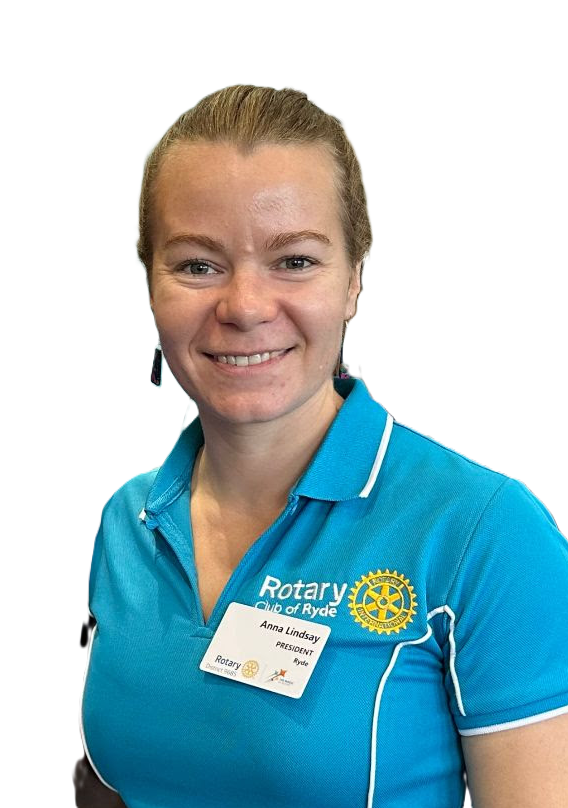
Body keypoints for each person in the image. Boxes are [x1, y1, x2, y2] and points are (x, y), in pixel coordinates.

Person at [74, 84, 568, 807]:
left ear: (353, 285)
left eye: (295, 261)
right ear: (150, 284)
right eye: (197, 265)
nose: (244, 306)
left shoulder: (485, 535)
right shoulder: (128, 522)